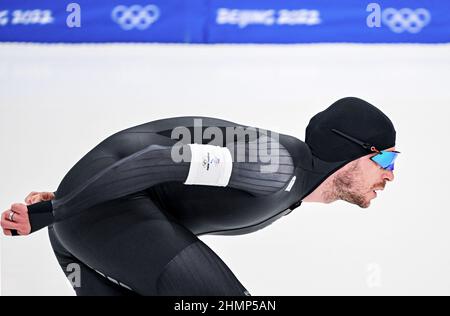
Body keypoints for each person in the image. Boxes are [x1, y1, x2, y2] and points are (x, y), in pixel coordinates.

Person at [1, 97, 399, 296]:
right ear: (351, 152)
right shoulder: (275, 165)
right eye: (384, 158)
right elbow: (162, 159)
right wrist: (59, 209)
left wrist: (72, 198)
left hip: (96, 219)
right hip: (93, 216)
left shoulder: (293, 182)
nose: (389, 175)